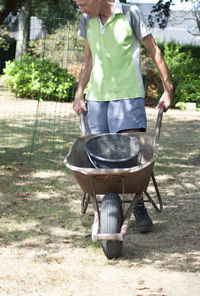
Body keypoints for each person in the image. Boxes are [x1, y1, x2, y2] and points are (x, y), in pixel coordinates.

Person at [73, 0, 173, 233]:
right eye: (78, 5)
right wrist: (79, 94)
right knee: (98, 158)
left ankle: (137, 205)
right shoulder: (86, 19)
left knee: (130, 156)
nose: (82, 9)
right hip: (97, 98)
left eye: (84, 3)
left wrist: (168, 89)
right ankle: (106, 208)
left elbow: (154, 51)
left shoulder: (131, 14)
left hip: (127, 96)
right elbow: (88, 61)